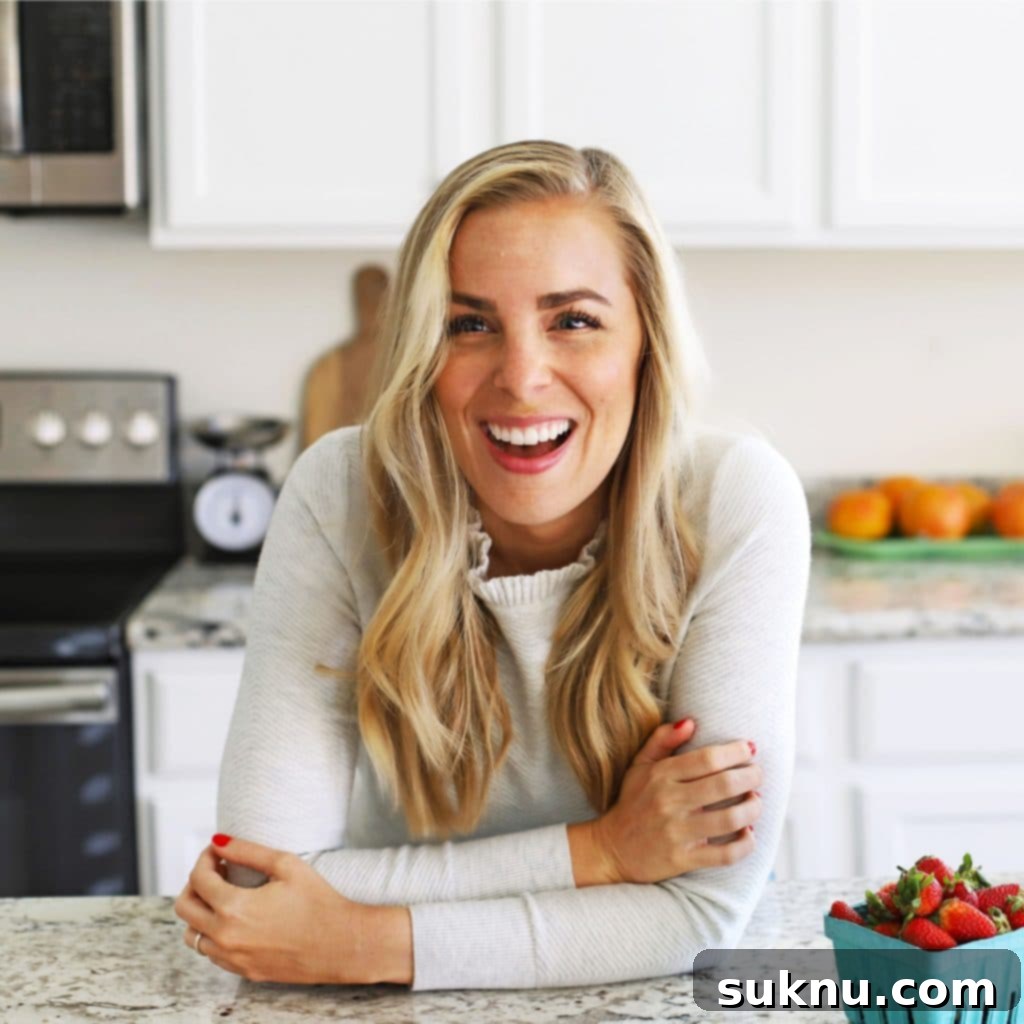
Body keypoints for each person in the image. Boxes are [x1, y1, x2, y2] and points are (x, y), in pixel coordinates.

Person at [173, 139, 811, 991]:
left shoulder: (733, 499)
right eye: (469, 324)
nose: (521, 377)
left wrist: (364, 942)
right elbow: (259, 882)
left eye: (574, 321)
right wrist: (603, 853)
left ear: (645, 345)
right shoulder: (341, 492)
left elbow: (700, 914)